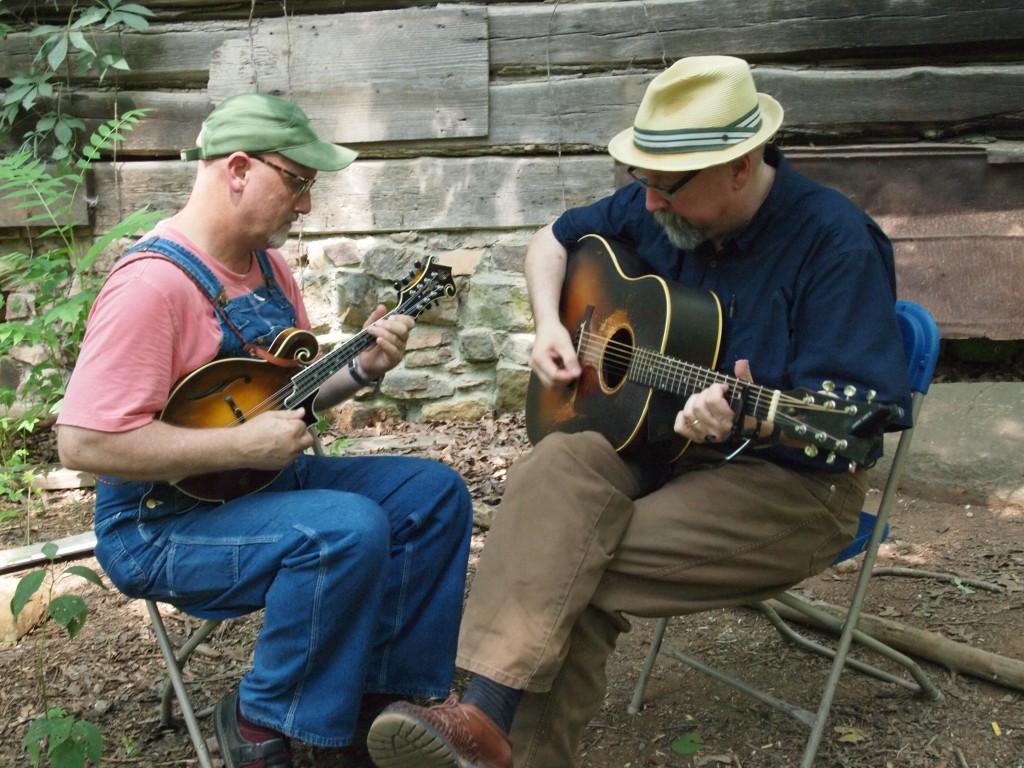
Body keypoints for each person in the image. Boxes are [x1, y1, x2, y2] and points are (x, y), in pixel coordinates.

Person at [365, 55, 912, 768]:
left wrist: (741, 413)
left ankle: (485, 723)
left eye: (668, 186)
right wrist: (550, 326)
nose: (648, 203)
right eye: (641, 181)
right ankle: (483, 729)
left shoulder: (835, 243)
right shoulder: (658, 208)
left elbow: (853, 422)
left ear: (741, 166)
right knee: (557, 465)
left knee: (566, 568)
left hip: (787, 483)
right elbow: (554, 239)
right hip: (657, 449)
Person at [55, 93, 473, 768]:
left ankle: (384, 715)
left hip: (257, 486)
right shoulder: (151, 288)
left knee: (432, 495)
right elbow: (82, 443)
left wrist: (361, 368)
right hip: (159, 524)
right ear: (240, 169)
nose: (306, 204)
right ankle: (263, 722)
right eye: (299, 182)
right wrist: (235, 446)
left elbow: (288, 400)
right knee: (345, 528)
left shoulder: (269, 269)